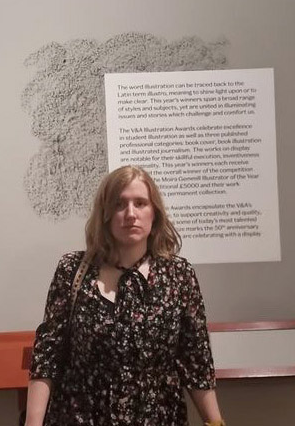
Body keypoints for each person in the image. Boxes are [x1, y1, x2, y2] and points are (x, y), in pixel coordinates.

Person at [25, 165, 225, 426]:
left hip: (157, 417)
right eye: (119, 204)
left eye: (140, 203)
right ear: (105, 214)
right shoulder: (72, 270)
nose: (131, 214)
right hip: (81, 415)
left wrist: (215, 422)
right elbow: (48, 355)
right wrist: (33, 423)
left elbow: (196, 359)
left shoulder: (178, 275)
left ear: (154, 212)